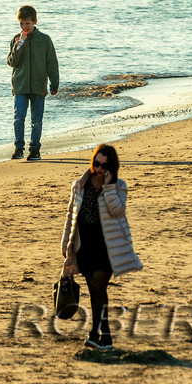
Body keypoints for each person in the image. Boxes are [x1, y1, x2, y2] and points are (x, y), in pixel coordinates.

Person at [61, 143, 141, 350]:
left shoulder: (119, 186)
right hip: (84, 244)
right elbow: (71, 216)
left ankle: (101, 335)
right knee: (93, 289)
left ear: (112, 167)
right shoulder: (80, 184)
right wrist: (66, 243)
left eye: (104, 166)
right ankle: (100, 336)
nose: (99, 169)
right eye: (96, 163)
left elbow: (117, 211)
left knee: (99, 286)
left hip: (106, 245)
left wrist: (108, 187)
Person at [7, 4, 59, 161]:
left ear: (35, 21)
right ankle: (19, 149)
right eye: (21, 23)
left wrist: (54, 84)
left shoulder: (44, 40)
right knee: (19, 118)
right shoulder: (16, 40)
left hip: (38, 86)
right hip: (20, 86)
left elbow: (52, 63)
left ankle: (35, 150)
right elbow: (11, 62)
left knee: (36, 120)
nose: (24, 27)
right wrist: (18, 46)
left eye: (27, 23)